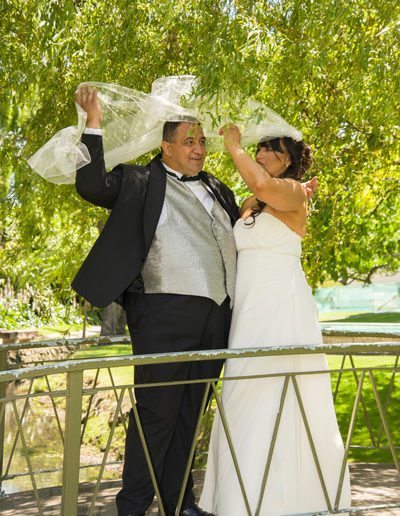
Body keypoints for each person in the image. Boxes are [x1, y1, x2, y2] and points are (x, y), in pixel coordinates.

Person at [72, 85, 239, 516]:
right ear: (166, 147)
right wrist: (92, 122)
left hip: (217, 315)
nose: (199, 148)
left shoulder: (220, 189)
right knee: (156, 414)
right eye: (189, 141)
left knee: (191, 412)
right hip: (164, 312)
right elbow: (91, 184)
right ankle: (132, 507)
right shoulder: (141, 181)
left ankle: (179, 502)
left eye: (202, 141)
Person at [199, 125, 351, 515]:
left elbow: (263, 185)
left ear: (288, 160)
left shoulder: (294, 193)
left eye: (269, 149)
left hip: (281, 306)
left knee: (279, 391)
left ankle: (290, 499)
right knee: (242, 391)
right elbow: (255, 195)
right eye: (259, 148)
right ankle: (238, 500)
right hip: (248, 309)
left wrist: (233, 146)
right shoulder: (254, 200)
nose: (261, 153)